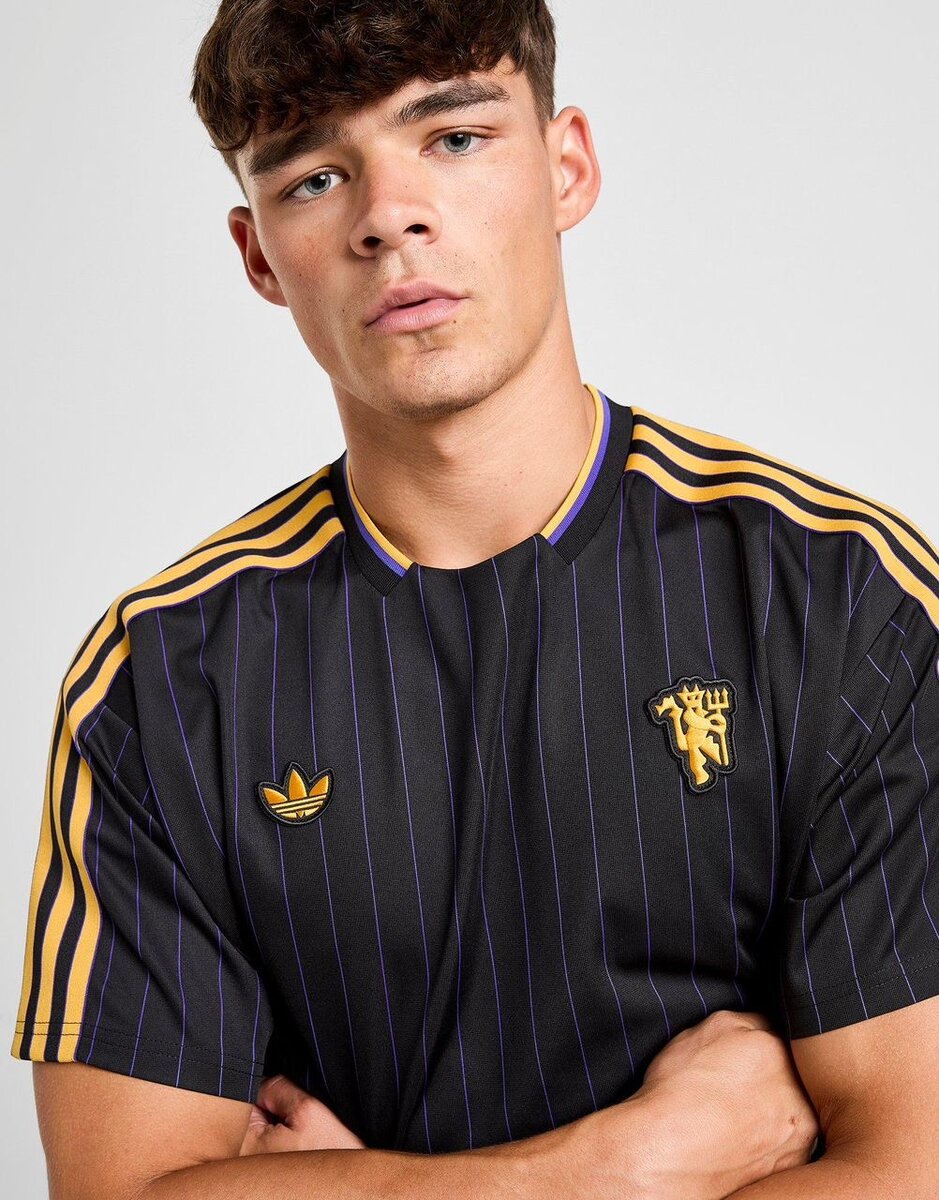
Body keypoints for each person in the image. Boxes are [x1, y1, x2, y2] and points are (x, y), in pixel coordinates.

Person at [13, 2, 938, 1197]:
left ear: (567, 168)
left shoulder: (842, 598)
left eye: (453, 138)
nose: (388, 216)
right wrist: (626, 1168)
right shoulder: (162, 680)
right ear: (258, 257)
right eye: (313, 179)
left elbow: (916, 1166)